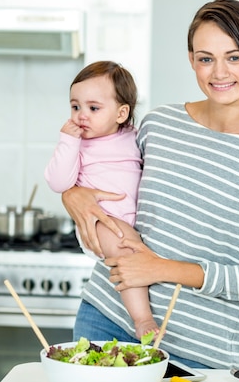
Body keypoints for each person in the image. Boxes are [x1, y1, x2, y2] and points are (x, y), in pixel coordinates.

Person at [61, 0, 239, 369]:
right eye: (206, 58)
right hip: (105, 317)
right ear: (192, 60)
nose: (219, 72)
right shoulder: (159, 125)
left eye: (234, 57)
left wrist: (160, 268)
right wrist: (72, 195)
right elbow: (96, 168)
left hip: (196, 352)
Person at [44, 60, 159, 339]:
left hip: (129, 221)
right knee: (125, 256)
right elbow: (58, 182)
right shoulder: (77, 145)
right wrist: (67, 143)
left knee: (131, 250)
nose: (81, 115)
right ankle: (142, 319)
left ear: (121, 113)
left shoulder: (133, 136)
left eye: (93, 108)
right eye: (75, 106)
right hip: (100, 222)